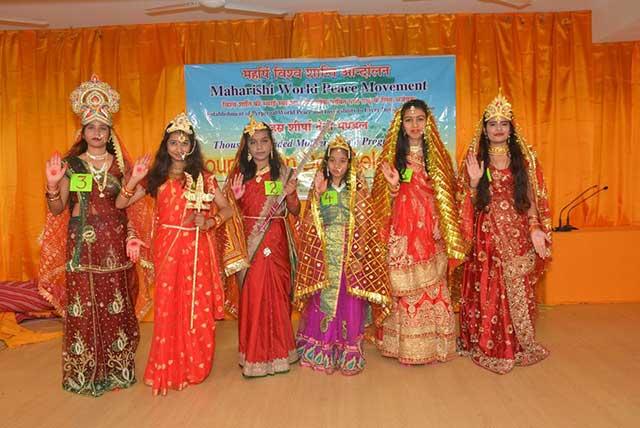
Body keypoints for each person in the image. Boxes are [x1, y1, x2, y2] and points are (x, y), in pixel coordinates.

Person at [39, 75, 149, 396]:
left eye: (103, 127)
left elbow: (124, 205)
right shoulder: (71, 166)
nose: (97, 133)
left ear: (110, 131)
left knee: (116, 302)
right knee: (82, 306)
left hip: (113, 243)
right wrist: (51, 183)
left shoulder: (119, 165)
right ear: (83, 131)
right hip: (80, 246)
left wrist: (137, 179)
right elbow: (58, 208)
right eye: (92, 127)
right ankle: (84, 374)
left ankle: (117, 370)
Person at [117, 112, 233, 394]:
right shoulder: (155, 178)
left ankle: (194, 366)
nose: (179, 148)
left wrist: (210, 222)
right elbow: (121, 203)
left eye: (185, 142)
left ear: (192, 146)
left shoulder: (204, 178)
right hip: (167, 248)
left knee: (196, 308)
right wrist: (134, 179)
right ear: (165, 146)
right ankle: (166, 367)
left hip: (196, 248)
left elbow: (228, 209)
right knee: (168, 308)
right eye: (173, 142)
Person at [457, 90, 552, 374]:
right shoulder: (474, 158)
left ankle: (518, 342)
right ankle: (488, 342)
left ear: (511, 128)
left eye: (503, 123)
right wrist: (474, 183)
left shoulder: (525, 159)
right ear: (484, 129)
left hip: (519, 233)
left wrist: (536, 228)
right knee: (489, 287)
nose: (498, 128)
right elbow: (465, 204)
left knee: (518, 287)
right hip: (486, 236)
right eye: (492, 123)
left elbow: (531, 198)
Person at [371, 99, 466, 365]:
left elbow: (450, 194)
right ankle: (403, 346)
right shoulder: (391, 157)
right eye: (409, 120)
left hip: (430, 230)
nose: (415, 125)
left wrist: (441, 221)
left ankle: (432, 346)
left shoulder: (438, 156)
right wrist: (391, 187)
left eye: (420, 119)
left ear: (428, 123)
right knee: (403, 287)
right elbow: (380, 202)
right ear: (401, 126)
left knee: (433, 284)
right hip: (402, 229)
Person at [293, 135, 390, 375]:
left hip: (349, 256)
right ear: (326, 162)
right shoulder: (321, 187)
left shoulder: (356, 189)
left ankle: (347, 348)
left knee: (349, 301)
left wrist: (358, 254)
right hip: (326, 256)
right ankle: (322, 345)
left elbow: (366, 223)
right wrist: (316, 196)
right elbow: (308, 224)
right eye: (333, 160)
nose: (337, 166)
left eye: (342, 161)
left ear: (350, 163)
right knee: (324, 300)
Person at [224, 116, 300, 377]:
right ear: (246, 147)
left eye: (263, 141)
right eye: (253, 143)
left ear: (271, 144)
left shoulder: (284, 173)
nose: (258, 147)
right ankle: (254, 356)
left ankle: (281, 353)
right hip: (250, 242)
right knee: (253, 295)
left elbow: (294, 210)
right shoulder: (238, 176)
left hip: (277, 239)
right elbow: (228, 213)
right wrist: (234, 200)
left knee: (278, 295)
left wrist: (290, 193)